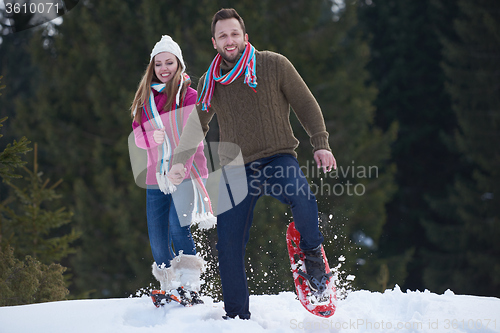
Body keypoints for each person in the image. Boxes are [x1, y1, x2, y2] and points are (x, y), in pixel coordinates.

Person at [167, 8, 337, 319]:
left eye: (234, 34)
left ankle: (312, 256)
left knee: (301, 195)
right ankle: (236, 318)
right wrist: (180, 160)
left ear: (245, 37)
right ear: (214, 42)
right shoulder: (210, 82)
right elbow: (196, 125)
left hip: (277, 157)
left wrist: (320, 143)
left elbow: (306, 104)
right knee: (228, 247)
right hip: (234, 170)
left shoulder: (273, 64)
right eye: (222, 36)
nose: (229, 40)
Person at [130, 35, 215, 300]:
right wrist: (149, 138)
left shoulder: (190, 96)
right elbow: (137, 133)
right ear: (152, 67)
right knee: (157, 236)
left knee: (178, 227)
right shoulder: (145, 99)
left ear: (179, 64)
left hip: (185, 171)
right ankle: (170, 286)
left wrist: (179, 167)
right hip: (156, 175)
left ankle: (190, 285)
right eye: (159, 64)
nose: (164, 68)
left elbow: (194, 134)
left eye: (169, 62)